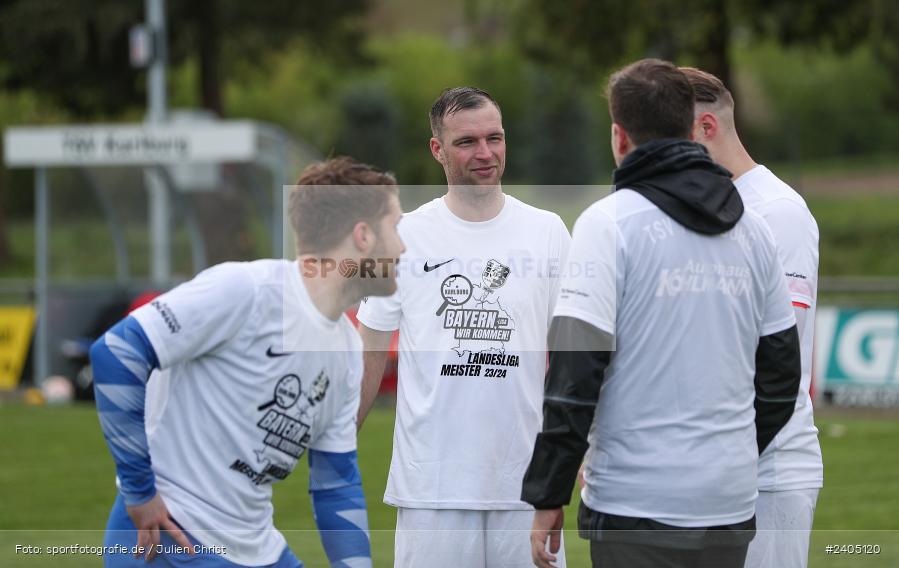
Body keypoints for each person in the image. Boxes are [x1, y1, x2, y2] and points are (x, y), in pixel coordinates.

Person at [521, 58, 802, 568]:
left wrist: (548, 493)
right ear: (691, 128)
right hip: (728, 503)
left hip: (634, 503)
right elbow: (782, 377)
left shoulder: (607, 225)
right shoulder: (754, 230)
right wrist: (728, 453)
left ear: (619, 137)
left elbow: (573, 377)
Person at [91, 157, 405, 567]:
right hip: (170, 539)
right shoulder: (247, 291)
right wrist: (139, 492)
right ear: (363, 236)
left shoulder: (346, 350)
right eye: (395, 229)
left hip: (257, 548)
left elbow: (336, 484)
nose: (403, 246)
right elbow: (116, 353)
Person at [355, 86, 570, 568]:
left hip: (527, 487)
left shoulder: (549, 230)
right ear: (437, 149)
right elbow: (368, 350)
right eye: (467, 142)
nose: (486, 153)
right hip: (432, 489)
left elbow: (576, 356)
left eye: (494, 138)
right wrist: (339, 439)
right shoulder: (400, 236)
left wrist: (584, 452)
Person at [682, 66, 823, 568]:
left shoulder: (778, 211)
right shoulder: (697, 207)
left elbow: (772, 351)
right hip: (705, 467)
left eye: (669, 138)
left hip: (770, 471)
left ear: (706, 128)